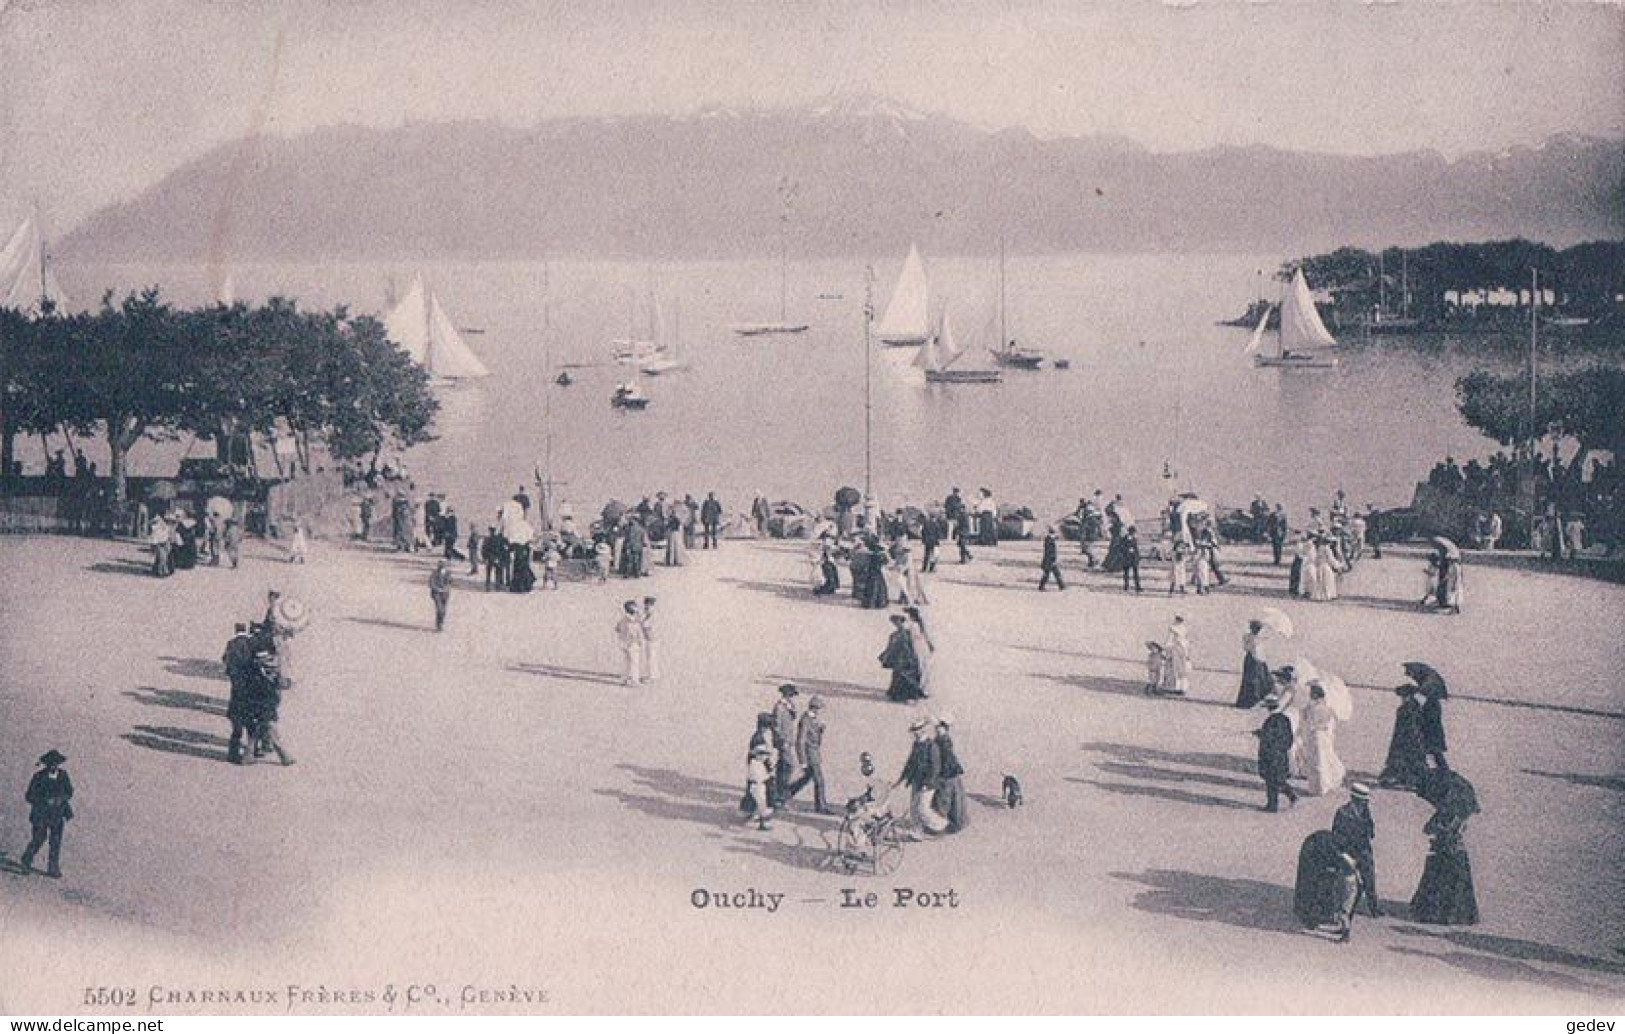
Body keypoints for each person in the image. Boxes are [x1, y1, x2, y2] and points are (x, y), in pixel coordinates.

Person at [1410, 770, 1481, 925]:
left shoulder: (1452, 809)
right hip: (1450, 849)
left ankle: (1439, 913)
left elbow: (1431, 828)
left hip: (1447, 851)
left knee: (1442, 879)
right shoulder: (1454, 805)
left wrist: (1439, 828)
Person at [1292, 828, 1361, 942]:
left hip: (1347, 887)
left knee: (1343, 913)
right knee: (1344, 913)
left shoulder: (1344, 862)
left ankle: (1345, 935)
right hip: (1349, 886)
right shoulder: (1347, 860)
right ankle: (1343, 931)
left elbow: (1344, 884)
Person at [20, 750, 74, 878]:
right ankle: (27, 860)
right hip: (41, 815)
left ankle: (53, 868)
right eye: (50, 763)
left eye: (55, 763)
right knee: (39, 839)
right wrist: (44, 801)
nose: (53, 766)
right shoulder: (38, 776)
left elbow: (70, 791)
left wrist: (61, 798)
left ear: (59, 764)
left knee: (55, 842)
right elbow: (29, 796)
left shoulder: (63, 775)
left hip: (57, 814)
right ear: (46, 764)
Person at [1332, 784, 1382, 918]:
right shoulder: (1342, 813)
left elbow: (1371, 829)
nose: (1364, 803)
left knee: (1369, 879)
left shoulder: (1366, 812)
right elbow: (1336, 835)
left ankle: (1373, 908)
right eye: (1362, 800)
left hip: (1364, 850)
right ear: (1354, 798)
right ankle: (1344, 910)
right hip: (1348, 852)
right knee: (1348, 883)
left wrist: (1369, 833)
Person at [896, 717, 948, 837]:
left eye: (917, 730)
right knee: (914, 809)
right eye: (913, 730)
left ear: (923, 730)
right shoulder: (916, 744)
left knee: (923, 808)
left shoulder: (932, 746)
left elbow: (935, 768)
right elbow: (910, 763)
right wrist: (901, 779)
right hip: (916, 781)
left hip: (928, 784)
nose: (914, 733)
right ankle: (917, 831)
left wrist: (927, 784)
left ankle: (941, 825)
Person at [1378, 684, 1431, 791]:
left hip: (1407, 739)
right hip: (1413, 739)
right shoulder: (1416, 707)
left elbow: (1406, 727)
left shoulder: (1406, 709)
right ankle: (1410, 779)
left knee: (1406, 758)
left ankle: (1407, 779)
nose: (1402, 698)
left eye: (1404, 696)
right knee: (1413, 759)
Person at [784, 695, 832, 814]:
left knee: (805, 779)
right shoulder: (805, 720)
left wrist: (820, 730)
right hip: (811, 756)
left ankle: (786, 793)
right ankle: (821, 806)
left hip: (814, 754)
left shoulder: (813, 719)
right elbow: (800, 741)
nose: (821, 712)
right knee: (819, 781)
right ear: (815, 708)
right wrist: (803, 761)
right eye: (820, 709)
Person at [222, 623, 258, 764]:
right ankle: (251, 753)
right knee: (251, 727)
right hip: (249, 690)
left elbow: (225, 659)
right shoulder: (251, 644)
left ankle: (232, 754)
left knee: (236, 729)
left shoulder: (231, 643)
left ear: (236, 631)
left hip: (236, 689)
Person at [1302, 681, 1346, 796]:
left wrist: (1313, 726)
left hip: (1318, 736)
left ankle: (1320, 787)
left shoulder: (1321, 708)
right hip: (1318, 736)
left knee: (1319, 761)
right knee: (1318, 760)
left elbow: (1322, 723)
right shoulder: (1319, 707)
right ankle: (1318, 786)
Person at [1255, 696, 1297, 812]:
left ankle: (1272, 806)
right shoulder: (1285, 719)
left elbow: (1268, 740)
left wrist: (1261, 735)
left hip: (1270, 756)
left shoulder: (1270, 721)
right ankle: (1291, 795)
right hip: (1281, 756)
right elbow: (1289, 738)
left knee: (1270, 782)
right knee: (1278, 779)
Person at [933, 716, 968, 833]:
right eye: (937, 727)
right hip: (950, 772)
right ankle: (956, 822)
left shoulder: (943, 741)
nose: (937, 729)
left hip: (946, 773)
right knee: (954, 798)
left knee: (945, 799)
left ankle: (943, 825)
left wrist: (939, 773)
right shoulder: (941, 739)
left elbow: (945, 759)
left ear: (945, 728)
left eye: (940, 727)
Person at [880, 614, 925, 702]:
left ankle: (910, 694)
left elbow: (914, 645)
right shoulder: (894, 635)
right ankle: (897, 694)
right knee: (898, 675)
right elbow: (890, 647)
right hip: (899, 658)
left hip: (908, 657)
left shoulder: (908, 633)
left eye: (898, 622)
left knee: (906, 675)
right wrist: (886, 655)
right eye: (895, 623)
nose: (897, 624)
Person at [771, 684, 800, 806]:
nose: (792, 698)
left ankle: (779, 795)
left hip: (788, 741)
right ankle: (781, 796)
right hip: (784, 743)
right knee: (788, 767)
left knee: (783, 767)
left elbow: (793, 717)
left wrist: (792, 709)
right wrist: (782, 742)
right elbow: (776, 726)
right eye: (791, 696)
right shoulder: (779, 707)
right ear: (786, 695)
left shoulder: (788, 706)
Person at [1418, 667, 1450, 771]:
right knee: (1433, 752)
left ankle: (1443, 770)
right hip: (1433, 732)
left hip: (1431, 732)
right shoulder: (1433, 703)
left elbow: (1430, 719)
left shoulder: (1431, 704)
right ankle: (1441, 769)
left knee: (1433, 751)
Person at [1236, 620, 1273, 709]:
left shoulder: (1260, 638)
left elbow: (1263, 650)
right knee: (1251, 680)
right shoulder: (1248, 637)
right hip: (1252, 659)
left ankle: (1258, 699)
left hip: (1259, 659)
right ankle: (1249, 701)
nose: (1257, 630)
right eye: (1256, 628)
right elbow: (1246, 648)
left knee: (1261, 679)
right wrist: (1254, 642)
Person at [742, 743, 775, 831]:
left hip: (760, 786)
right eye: (761, 754)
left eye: (765, 755)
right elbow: (759, 777)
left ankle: (756, 816)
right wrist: (769, 776)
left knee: (759, 804)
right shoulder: (755, 764)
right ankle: (764, 823)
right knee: (763, 805)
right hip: (757, 786)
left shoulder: (760, 764)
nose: (764, 757)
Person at [904, 606, 935, 699]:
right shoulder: (919, 624)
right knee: (924, 668)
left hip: (917, 647)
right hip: (922, 646)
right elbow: (925, 635)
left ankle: (919, 688)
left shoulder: (912, 625)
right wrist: (930, 644)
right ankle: (923, 688)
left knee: (920, 667)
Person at [614, 601, 645, 686]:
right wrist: (640, 642)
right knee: (635, 663)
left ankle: (623, 679)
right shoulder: (633, 621)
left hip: (623, 644)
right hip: (632, 644)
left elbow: (616, 629)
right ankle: (635, 681)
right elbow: (636, 633)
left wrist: (622, 635)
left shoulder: (622, 619)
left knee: (626, 663)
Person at [1162, 616, 1192, 696]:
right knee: (1181, 670)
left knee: (1174, 669)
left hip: (1175, 651)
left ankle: (1175, 687)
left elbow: (1169, 640)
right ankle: (1182, 687)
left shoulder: (1173, 628)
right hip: (1182, 650)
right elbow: (1186, 641)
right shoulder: (1183, 629)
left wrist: (1166, 647)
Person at [1037, 525, 1066, 590]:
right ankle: (1061, 586)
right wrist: (1053, 560)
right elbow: (1050, 551)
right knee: (1051, 574)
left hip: (1048, 560)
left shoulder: (1049, 539)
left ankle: (1062, 586)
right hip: (1050, 560)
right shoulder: (1050, 540)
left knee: (1052, 573)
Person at [639, 597, 660, 681]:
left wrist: (641, 618)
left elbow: (645, 625)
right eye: (645, 607)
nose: (645, 609)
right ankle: (655, 674)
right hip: (651, 640)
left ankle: (651, 676)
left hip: (652, 640)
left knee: (650, 658)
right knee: (652, 657)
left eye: (647, 607)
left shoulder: (652, 616)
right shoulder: (649, 615)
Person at [429, 561, 453, 632]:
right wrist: (437, 589)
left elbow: (450, 583)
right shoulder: (434, 573)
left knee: (443, 610)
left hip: (445, 594)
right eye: (441, 564)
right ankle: (439, 625)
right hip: (436, 593)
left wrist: (446, 588)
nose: (442, 566)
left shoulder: (448, 573)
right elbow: (431, 583)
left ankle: (441, 622)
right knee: (439, 609)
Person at [1120, 526, 1142, 592]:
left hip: (1133, 558)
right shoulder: (1125, 538)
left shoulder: (1134, 538)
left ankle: (1137, 586)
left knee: (1135, 573)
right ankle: (1126, 586)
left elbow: (1136, 548)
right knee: (1126, 573)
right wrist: (1127, 550)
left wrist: (1138, 557)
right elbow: (1122, 547)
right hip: (1127, 558)